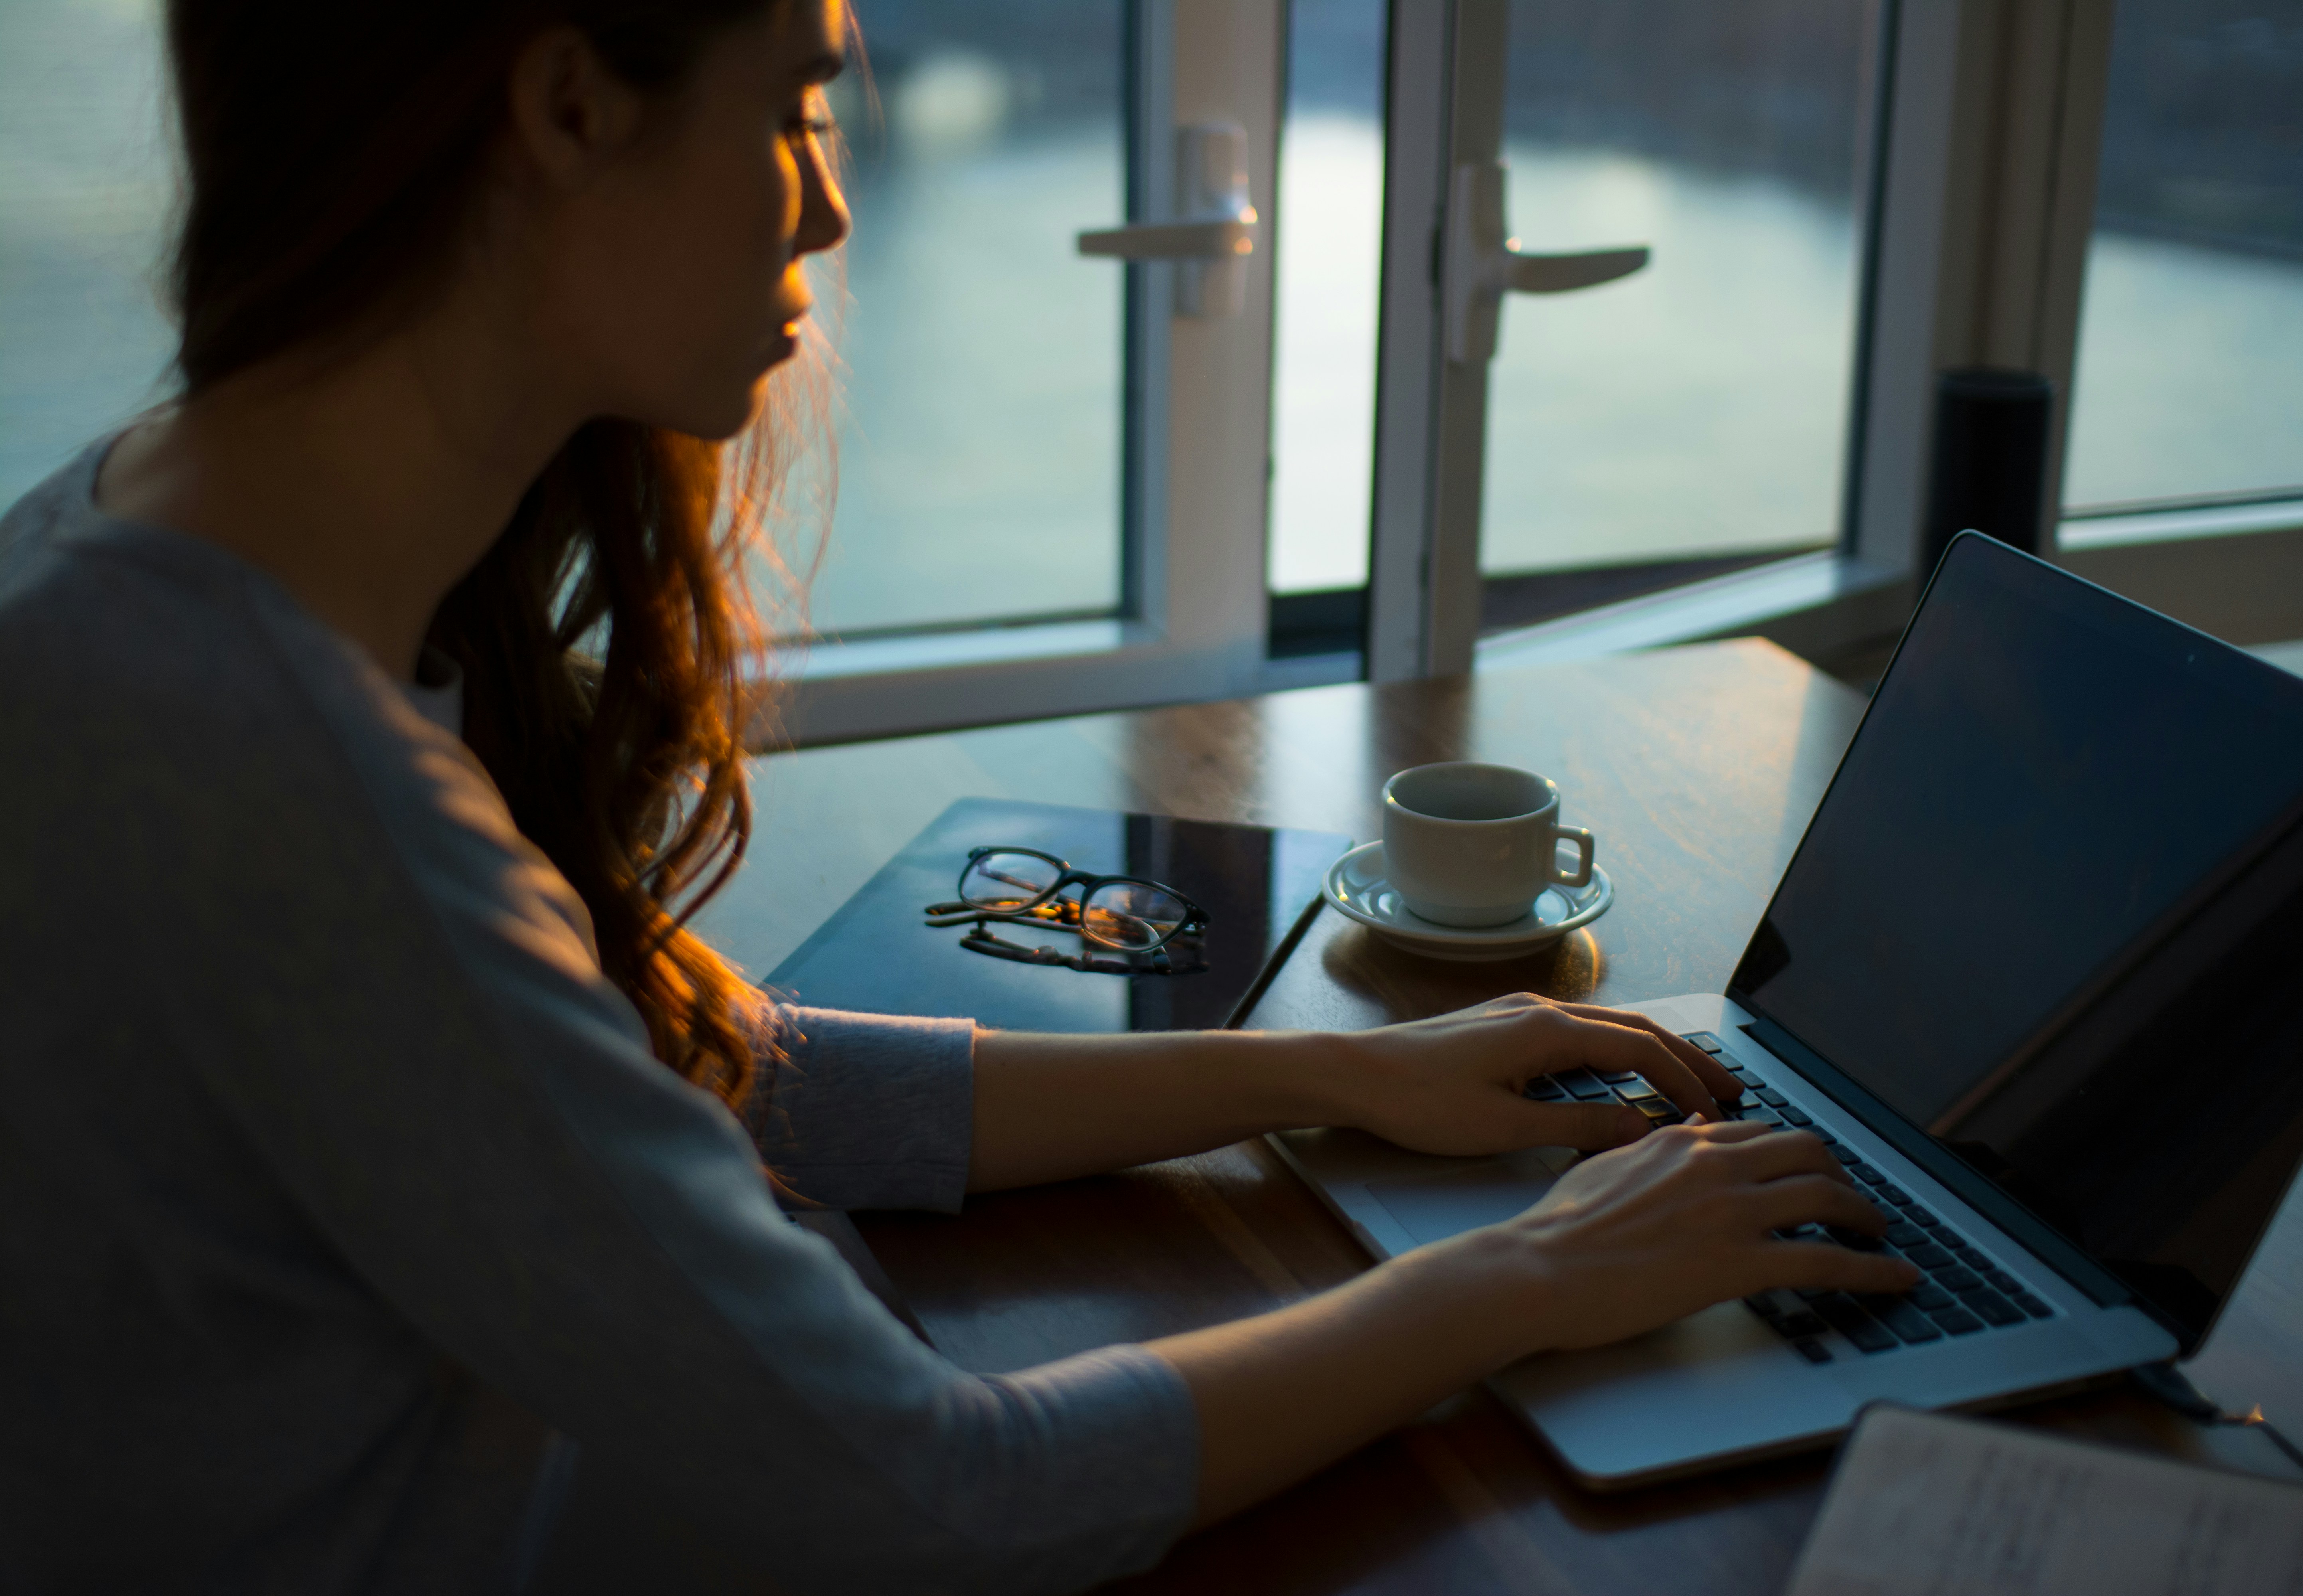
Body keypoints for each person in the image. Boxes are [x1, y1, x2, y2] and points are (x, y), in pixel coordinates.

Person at [0, 1, 1918, 1588]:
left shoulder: (131, 547)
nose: (829, 207)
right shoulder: (292, 795)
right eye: (798, 100)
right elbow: (946, 1493)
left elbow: (660, 1067)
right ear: (570, 98)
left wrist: (1319, 1077)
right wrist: (1522, 1277)